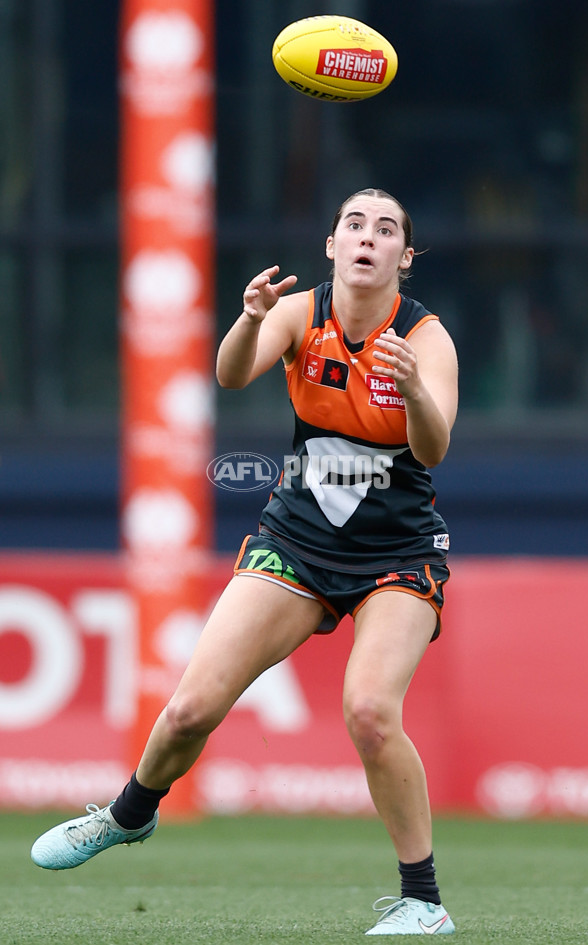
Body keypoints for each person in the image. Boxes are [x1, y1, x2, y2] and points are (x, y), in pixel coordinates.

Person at [31, 188, 458, 936]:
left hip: (397, 552)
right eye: (354, 225)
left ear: (405, 257)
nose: (368, 237)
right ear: (332, 245)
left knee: (369, 711)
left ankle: (423, 899)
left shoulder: (426, 339)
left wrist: (415, 389)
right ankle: (127, 814)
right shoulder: (299, 313)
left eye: (386, 229)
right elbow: (230, 375)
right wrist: (253, 318)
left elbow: (433, 449)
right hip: (297, 540)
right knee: (190, 709)